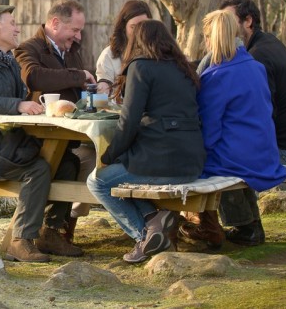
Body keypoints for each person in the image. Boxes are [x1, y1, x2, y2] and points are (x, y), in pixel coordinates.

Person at [0, 5, 83, 262]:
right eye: (12, 22)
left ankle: (51, 233)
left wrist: (36, 109)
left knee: (68, 163)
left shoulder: (10, 62)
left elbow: (19, 102)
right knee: (38, 169)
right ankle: (20, 240)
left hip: (10, 142)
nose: (18, 28)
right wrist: (18, 105)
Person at [204, 0, 286, 246]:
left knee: (216, 161)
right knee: (236, 152)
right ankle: (248, 225)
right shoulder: (263, 49)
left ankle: (243, 227)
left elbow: (253, 115)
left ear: (248, 22)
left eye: (231, 20)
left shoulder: (256, 58)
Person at [86, 20, 205, 263]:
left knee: (98, 181)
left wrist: (108, 156)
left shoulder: (141, 67)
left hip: (162, 161)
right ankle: (154, 220)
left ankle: (143, 237)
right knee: (124, 176)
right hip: (192, 162)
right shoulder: (184, 68)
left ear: (137, 42)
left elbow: (128, 121)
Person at [179, 10, 286, 249]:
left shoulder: (217, 76)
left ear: (210, 39)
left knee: (196, 165)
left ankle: (216, 226)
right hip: (265, 152)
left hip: (239, 157)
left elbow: (209, 131)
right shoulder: (255, 66)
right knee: (225, 157)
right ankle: (249, 224)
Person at [12, 0, 95, 249]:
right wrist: (78, 76)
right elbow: (34, 77)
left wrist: (97, 87)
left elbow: (81, 84)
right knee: (62, 165)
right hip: (36, 139)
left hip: (68, 137)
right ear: (56, 23)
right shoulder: (29, 48)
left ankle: (54, 233)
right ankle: (31, 235)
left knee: (70, 165)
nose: (78, 36)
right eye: (75, 29)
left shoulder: (71, 51)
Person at [95, 0, 153, 96]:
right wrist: (103, 89)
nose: (139, 32)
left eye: (143, 27)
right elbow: (104, 86)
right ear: (123, 27)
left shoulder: (157, 53)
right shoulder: (109, 54)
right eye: (133, 27)